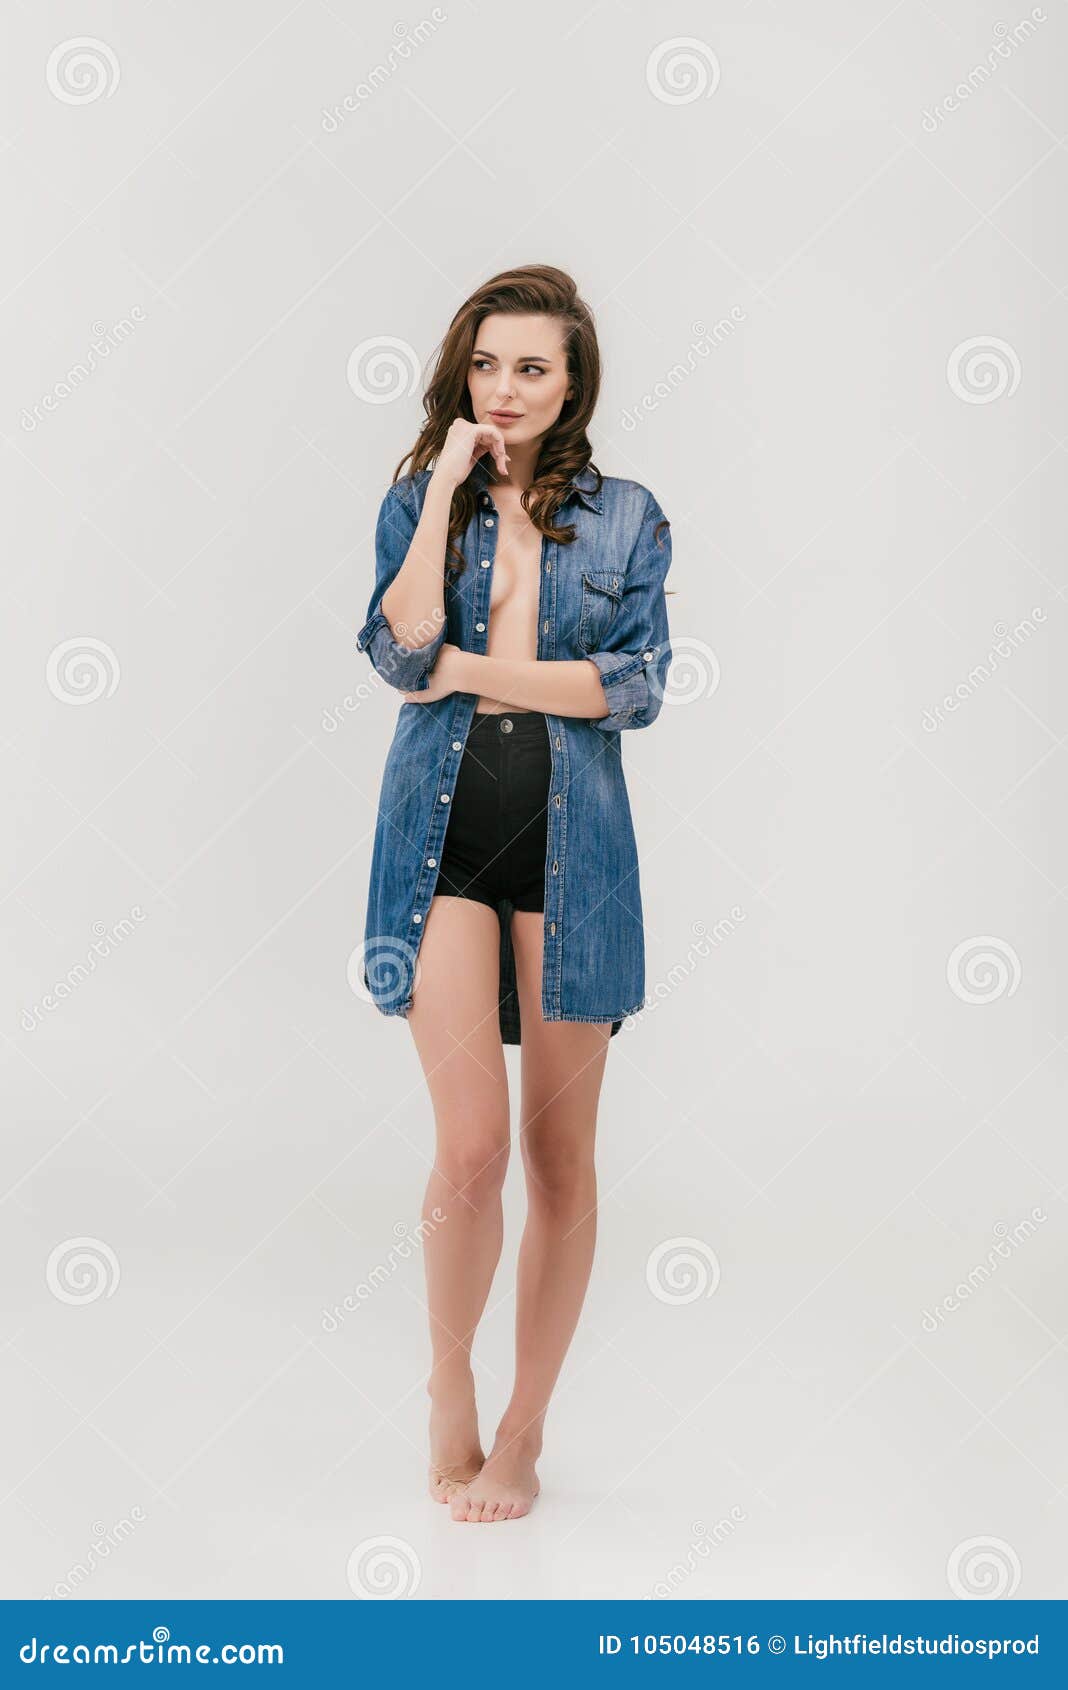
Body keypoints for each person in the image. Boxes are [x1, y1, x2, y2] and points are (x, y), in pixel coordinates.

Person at [356, 264, 674, 1523]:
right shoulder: (417, 498)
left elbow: (635, 685)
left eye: (531, 367)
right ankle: (449, 1385)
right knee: (471, 1149)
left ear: (573, 381)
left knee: (558, 1159)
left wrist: (474, 668)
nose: (504, 389)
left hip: (575, 846)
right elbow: (396, 652)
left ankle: (525, 1433)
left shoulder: (631, 514)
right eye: (486, 364)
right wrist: (438, 492)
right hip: (439, 836)